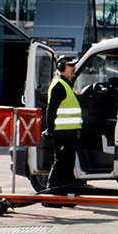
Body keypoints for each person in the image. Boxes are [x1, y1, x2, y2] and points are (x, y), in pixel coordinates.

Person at [42, 55, 80, 189]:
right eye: (71, 65)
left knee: (68, 164)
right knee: (62, 163)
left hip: (69, 131)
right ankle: (51, 193)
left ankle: (67, 193)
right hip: (62, 132)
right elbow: (51, 110)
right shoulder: (59, 85)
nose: (74, 67)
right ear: (61, 67)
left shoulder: (66, 84)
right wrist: (50, 130)